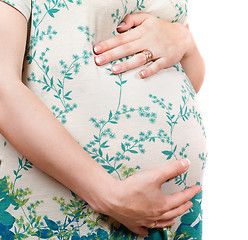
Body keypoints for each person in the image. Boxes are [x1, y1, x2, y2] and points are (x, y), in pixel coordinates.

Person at [0, 0, 207, 239]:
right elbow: (3, 89)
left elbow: (188, 82)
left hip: (170, 220)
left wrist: (185, 43)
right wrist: (109, 195)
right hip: (62, 213)